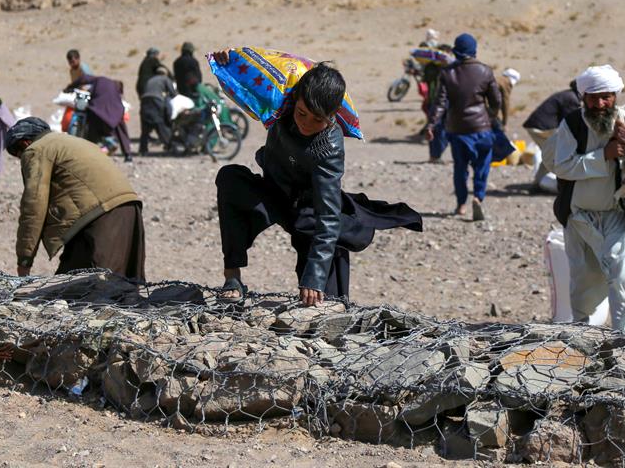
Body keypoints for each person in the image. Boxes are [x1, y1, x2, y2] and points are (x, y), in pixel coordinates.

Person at [212, 55, 422, 306]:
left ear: (332, 116)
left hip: (309, 211)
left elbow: (328, 215)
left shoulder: (329, 147)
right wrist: (230, 60)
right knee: (230, 178)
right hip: (275, 192)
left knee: (323, 301)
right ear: (294, 100)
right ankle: (233, 277)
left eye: (318, 119)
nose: (306, 124)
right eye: (302, 113)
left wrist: (315, 276)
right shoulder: (280, 106)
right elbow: (244, 84)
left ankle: (327, 300)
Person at [543, 65, 625, 334]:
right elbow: (562, 166)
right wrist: (603, 155)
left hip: (618, 213)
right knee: (584, 280)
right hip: (580, 216)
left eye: (606, 96)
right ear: (583, 97)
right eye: (593, 97)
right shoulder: (572, 125)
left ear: (615, 95)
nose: (600, 103)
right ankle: (583, 336)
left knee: (623, 278)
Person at [6, 118, 145, 279]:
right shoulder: (72, 141)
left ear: (24, 143)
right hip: (129, 208)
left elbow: (34, 205)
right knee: (122, 287)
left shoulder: (36, 149)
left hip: (99, 217)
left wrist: (24, 260)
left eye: (17, 154)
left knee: (94, 287)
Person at [426, 33, 500, 220]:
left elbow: (440, 103)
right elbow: (496, 100)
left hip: (457, 130)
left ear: (456, 51)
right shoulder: (485, 71)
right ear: (474, 50)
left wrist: (431, 124)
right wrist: (490, 116)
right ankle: (478, 197)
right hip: (481, 129)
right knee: (482, 166)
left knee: (460, 168)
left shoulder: (447, 73)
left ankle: (461, 205)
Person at [523, 81, 582, 187]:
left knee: (550, 154)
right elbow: (571, 122)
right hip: (541, 128)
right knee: (554, 154)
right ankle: (562, 184)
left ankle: (538, 183)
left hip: (538, 125)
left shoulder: (568, 95)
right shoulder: (572, 98)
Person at [64, 73, 133, 162]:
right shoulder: (115, 87)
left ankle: (89, 152)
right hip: (116, 114)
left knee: (91, 126)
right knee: (121, 130)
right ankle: (128, 155)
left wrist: (70, 87)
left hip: (97, 111)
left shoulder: (100, 79)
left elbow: (83, 78)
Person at [139, 66, 175, 155]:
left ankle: (143, 149)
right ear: (165, 74)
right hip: (156, 100)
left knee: (145, 127)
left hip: (144, 101)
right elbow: (173, 92)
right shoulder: (165, 79)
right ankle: (169, 145)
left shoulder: (150, 80)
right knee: (160, 123)